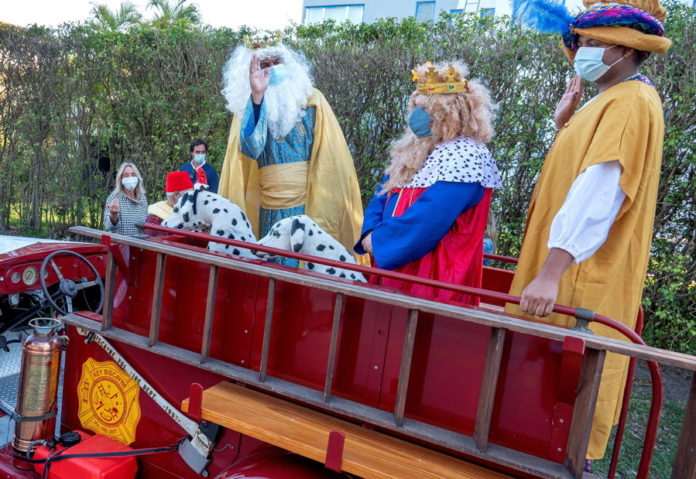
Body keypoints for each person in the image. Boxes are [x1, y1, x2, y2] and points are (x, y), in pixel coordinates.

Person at [509, 0, 672, 465]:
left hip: (575, 278)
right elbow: (574, 173)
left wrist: (550, 273)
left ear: (627, 49)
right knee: (543, 399)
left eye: (595, 42)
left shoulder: (630, 103)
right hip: (569, 272)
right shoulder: (613, 99)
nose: (583, 51)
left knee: (557, 402)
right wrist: (563, 123)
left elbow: (599, 194)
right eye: (581, 42)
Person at [355, 61, 502, 305]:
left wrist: (379, 242)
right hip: (391, 268)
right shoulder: (414, 148)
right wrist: (370, 232)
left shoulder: (467, 156)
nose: (417, 115)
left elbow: (428, 219)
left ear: (450, 114)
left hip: (433, 280)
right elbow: (383, 194)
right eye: (416, 106)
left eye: (426, 109)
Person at [218, 34, 365, 266]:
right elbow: (250, 148)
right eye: (264, 65)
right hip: (269, 210)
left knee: (306, 268)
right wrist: (257, 96)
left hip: (309, 205)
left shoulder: (313, 100)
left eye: (277, 62)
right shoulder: (248, 106)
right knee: (272, 270)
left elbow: (330, 158)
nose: (272, 69)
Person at [104, 162, 148, 236]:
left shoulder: (142, 198)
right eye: (126, 175)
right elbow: (109, 227)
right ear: (121, 179)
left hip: (140, 242)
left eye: (133, 174)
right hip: (122, 242)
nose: (130, 178)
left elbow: (146, 225)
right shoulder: (114, 198)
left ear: (137, 177)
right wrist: (113, 215)